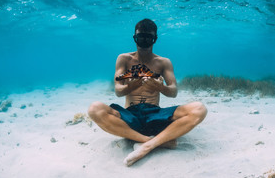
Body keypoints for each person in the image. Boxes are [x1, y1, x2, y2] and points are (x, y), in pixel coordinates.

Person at [88, 18, 207, 166]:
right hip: (130, 115)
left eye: (148, 38)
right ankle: (153, 141)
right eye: (140, 38)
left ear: (155, 39)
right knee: (94, 109)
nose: (144, 42)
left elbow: (173, 92)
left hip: (155, 115)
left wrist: (160, 88)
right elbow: (118, 91)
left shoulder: (163, 62)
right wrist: (131, 86)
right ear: (134, 38)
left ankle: (147, 145)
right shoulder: (124, 59)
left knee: (199, 109)